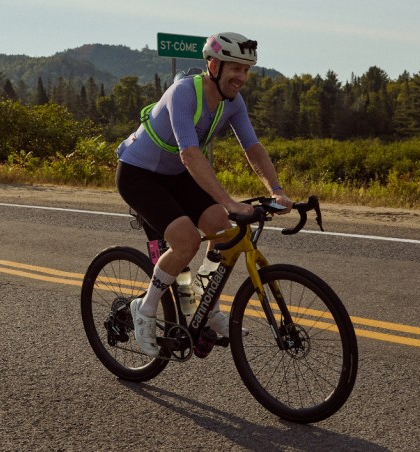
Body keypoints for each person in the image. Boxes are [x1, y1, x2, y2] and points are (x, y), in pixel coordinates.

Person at [115, 32, 291, 357]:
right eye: (235, 69)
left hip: (175, 175)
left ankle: (205, 306)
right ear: (213, 65)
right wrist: (229, 200)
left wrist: (276, 191)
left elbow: (253, 147)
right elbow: (190, 155)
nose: (241, 77)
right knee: (186, 241)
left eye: (246, 70)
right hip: (139, 174)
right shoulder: (185, 93)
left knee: (222, 228)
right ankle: (145, 307)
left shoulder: (233, 103)